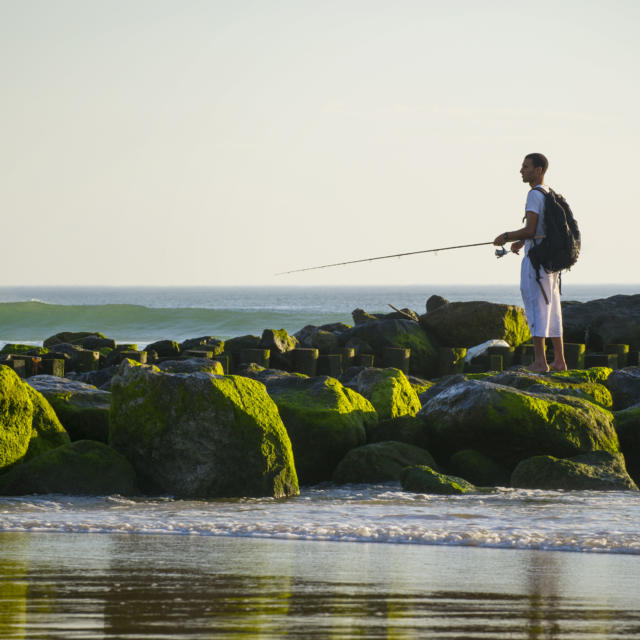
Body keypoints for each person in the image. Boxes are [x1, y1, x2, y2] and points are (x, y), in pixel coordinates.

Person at [493, 153, 567, 373]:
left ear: (539, 170)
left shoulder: (534, 195)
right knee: (553, 309)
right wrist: (522, 242)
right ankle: (560, 361)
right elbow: (540, 231)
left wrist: (505, 236)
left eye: (526, 167)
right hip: (551, 262)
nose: (521, 170)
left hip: (536, 263)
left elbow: (531, 229)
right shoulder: (549, 193)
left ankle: (540, 362)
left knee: (536, 308)